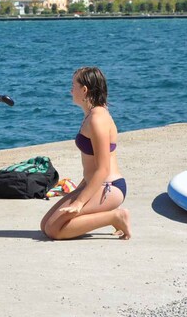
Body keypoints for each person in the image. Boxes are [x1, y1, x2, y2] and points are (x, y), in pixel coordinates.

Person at [40, 67, 131, 240]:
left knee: (54, 229)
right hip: (93, 185)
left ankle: (116, 216)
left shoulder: (98, 119)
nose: (70, 90)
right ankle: (107, 215)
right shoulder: (91, 115)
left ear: (84, 90)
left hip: (108, 188)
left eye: (73, 85)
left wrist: (80, 202)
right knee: (45, 224)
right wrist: (81, 188)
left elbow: (103, 168)